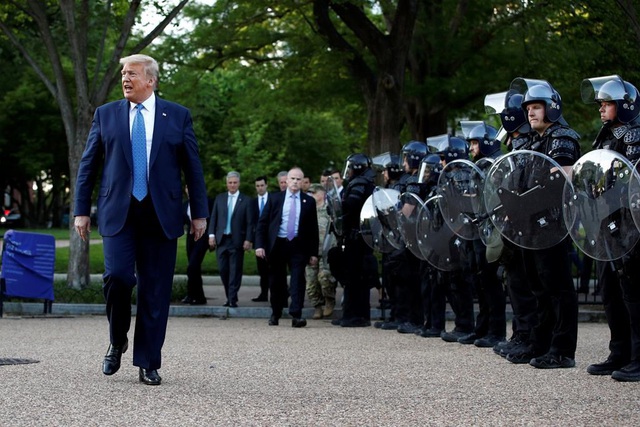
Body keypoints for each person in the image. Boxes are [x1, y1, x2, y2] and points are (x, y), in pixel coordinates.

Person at [74, 54, 208, 386]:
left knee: (155, 290)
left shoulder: (177, 115)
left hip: (161, 214)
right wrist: (80, 209)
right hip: (118, 212)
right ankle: (117, 338)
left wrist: (199, 213)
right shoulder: (106, 114)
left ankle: (148, 361)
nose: (125, 78)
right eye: (123, 73)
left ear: (151, 80)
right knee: (117, 277)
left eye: (132, 73)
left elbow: (193, 168)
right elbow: (88, 165)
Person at [504, 79, 580, 369]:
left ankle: (562, 350)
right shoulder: (533, 142)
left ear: (551, 108)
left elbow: (559, 181)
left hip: (552, 223)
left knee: (557, 287)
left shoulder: (563, 137)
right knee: (537, 286)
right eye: (528, 108)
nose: (531, 112)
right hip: (529, 224)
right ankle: (540, 343)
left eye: (536, 107)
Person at [581, 75, 640, 381]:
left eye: (607, 103)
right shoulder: (606, 136)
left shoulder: (635, 135)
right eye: (601, 103)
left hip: (631, 222)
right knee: (609, 288)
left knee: (633, 289)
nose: (601, 108)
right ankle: (619, 352)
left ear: (625, 105)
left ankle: (638, 357)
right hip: (608, 220)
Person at [457, 122, 507, 348]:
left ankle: (496, 331)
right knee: (482, 281)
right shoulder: (479, 167)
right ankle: (482, 328)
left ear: (486, 143)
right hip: (480, 228)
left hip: (494, 229)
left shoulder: (497, 165)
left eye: (475, 143)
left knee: (491, 281)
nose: (471, 148)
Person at [255, 167, 319, 327]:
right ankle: (275, 313)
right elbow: (263, 223)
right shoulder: (275, 199)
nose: (295, 182)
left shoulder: (309, 201)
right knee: (276, 281)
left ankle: (296, 315)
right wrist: (260, 245)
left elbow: (313, 229)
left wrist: (313, 253)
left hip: (298, 245)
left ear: (303, 182)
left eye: (299, 179)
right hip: (278, 244)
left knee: (298, 280)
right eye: (293, 179)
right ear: (287, 180)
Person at [330, 153, 377, 327]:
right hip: (362, 237)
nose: (348, 171)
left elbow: (351, 205)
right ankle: (358, 315)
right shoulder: (367, 182)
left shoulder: (359, 183)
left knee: (354, 277)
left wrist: (335, 207)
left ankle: (353, 316)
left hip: (356, 238)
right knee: (359, 277)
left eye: (350, 167)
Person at [208, 171, 253, 307]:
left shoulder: (246, 200)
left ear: (239, 183)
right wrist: (211, 235)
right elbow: (214, 218)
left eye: (235, 182)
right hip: (222, 240)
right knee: (223, 270)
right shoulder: (220, 198)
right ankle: (230, 295)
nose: (232, 185)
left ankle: (232, 299)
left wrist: (248, 239)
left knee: (235, 270)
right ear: (226, 184)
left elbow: (250, 222)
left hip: (237, 240)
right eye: (230, 183)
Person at [305, 183, 338, 319]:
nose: (311, 195)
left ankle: (329, 300)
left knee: (325, 278)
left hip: (326, 252)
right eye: (309, 193)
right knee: (311, 284)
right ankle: (317, 306)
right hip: (311, 252)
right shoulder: (307, 210)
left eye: (313, 193)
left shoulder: (329, 210)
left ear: (322, 194)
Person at [182, 185, 214, 305]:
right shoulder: (185, 205)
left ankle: (197, 296)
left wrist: (212, 236)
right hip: (190, 238)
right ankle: (194, 295)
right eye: (187, 188)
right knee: (194, 267)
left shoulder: (206, 202)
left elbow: (213, 219)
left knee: (192, 266)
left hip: (203, 237)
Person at [251, 176, 270, 302]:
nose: (260, 188)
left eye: (262, 185)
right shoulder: (252, 203)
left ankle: (280, 293)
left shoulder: (273, 199)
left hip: (272, 239)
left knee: (274, 268)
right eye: (257, 186)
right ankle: (263, 294)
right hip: (259, 240)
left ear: (266, 185)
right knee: (262, 269)